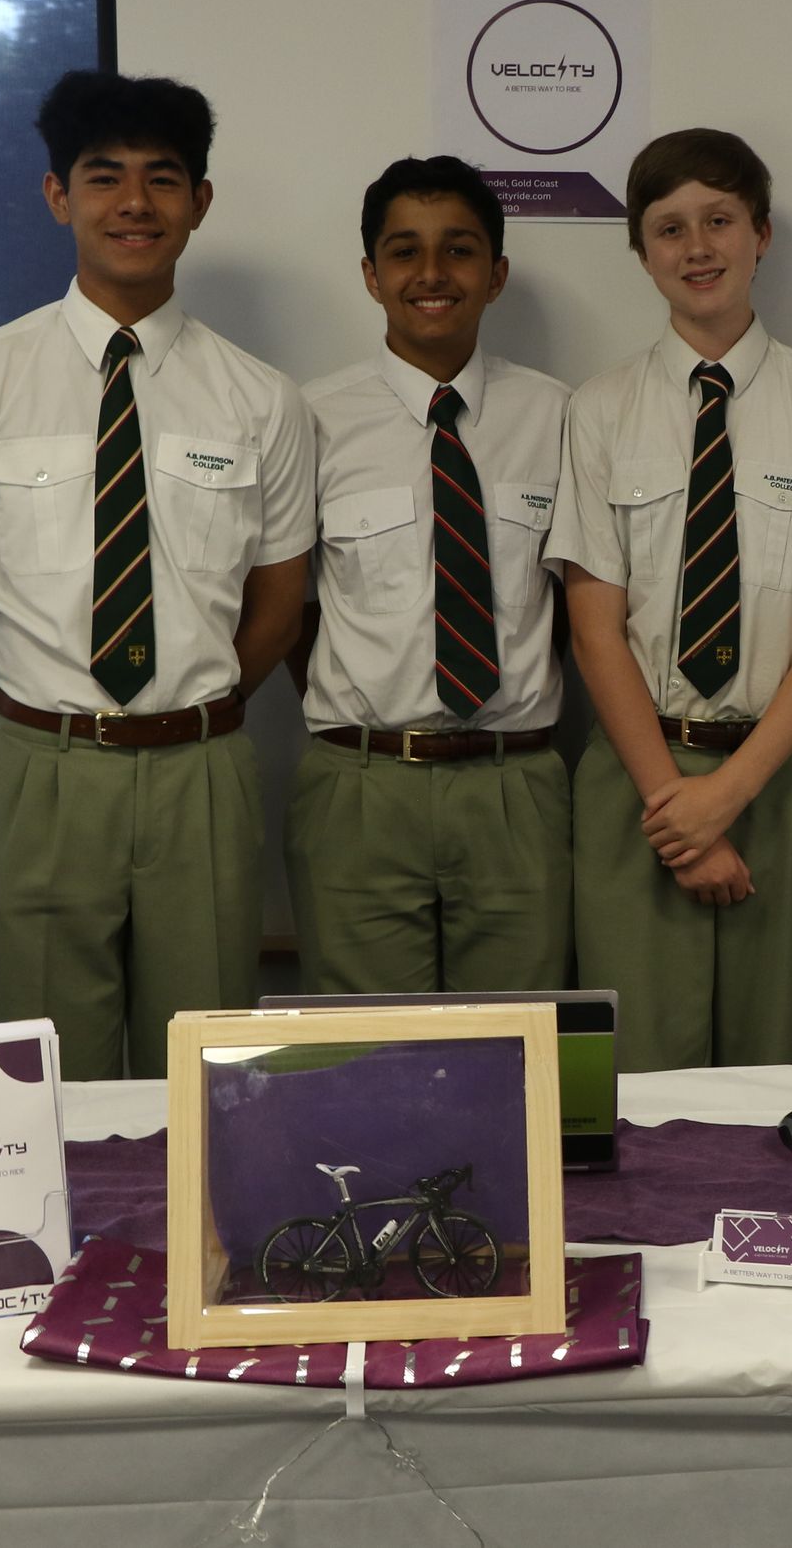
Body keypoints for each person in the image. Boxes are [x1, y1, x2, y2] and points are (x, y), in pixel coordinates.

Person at [0, 70, 315, 1079]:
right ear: (57, 195)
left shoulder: (264, 400)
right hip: (39, 768)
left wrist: (185, 716)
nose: (134, 203)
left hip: (201, 773)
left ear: (199, 202)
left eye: (163, 179)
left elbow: (277, 609)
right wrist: (31, 736)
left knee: (201, 1080)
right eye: (104, 176)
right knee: (42, 1082)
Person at [545, 129, 792, 1070]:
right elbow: (594, 629)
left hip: (781, 778)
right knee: (640, 1083)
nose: (697, 247)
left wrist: (726, 799)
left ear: (761, 234)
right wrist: (681, 814)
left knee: (772, 1074)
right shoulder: (600, 409)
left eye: (720, 221)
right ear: (640, 250)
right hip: (641, 778)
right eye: (669, 228)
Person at [287, 156, 571, 994]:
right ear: (371, 275)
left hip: (515, 784)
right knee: (369, 1053)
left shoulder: (560, 415)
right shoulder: (310, 418)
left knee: (520, 1044)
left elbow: (579, 607)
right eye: (405, 251)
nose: (432, 273)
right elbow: (290, 607)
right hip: (362, 786)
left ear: (497, 274)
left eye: (459, 249)